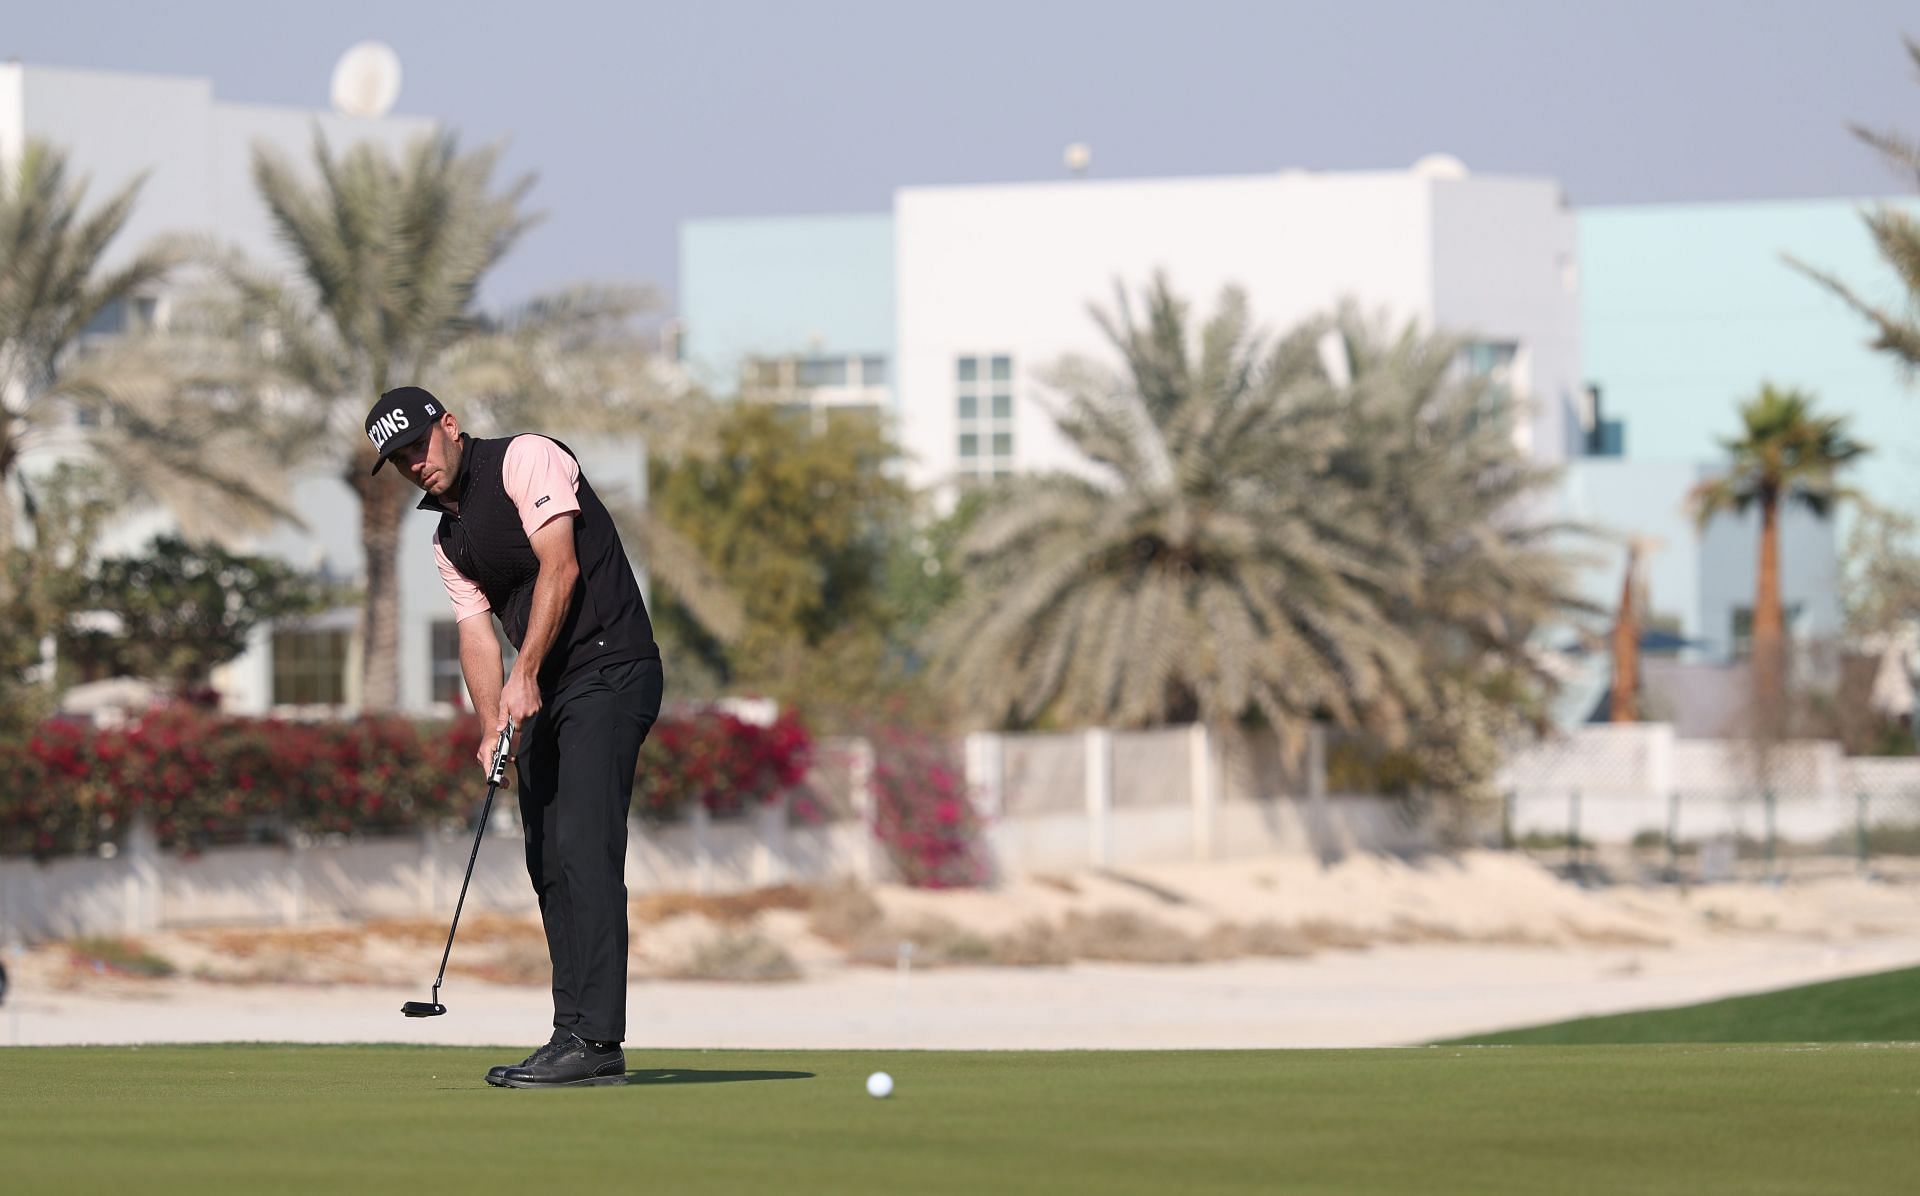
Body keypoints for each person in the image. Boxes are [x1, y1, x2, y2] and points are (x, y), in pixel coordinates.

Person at [365, 385, 663, 1088]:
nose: (413, 463)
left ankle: (596, 1041)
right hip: (551, 690)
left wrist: (524, 673)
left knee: (586, 847)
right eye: (398, 458)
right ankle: (573, 1035)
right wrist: (490, 723)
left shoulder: (527, 459)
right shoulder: (447, 539)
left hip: (611, 668)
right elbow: (475, 637)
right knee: (548, 860)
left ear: (450, 427)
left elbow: (560, 567)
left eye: (417, 445)